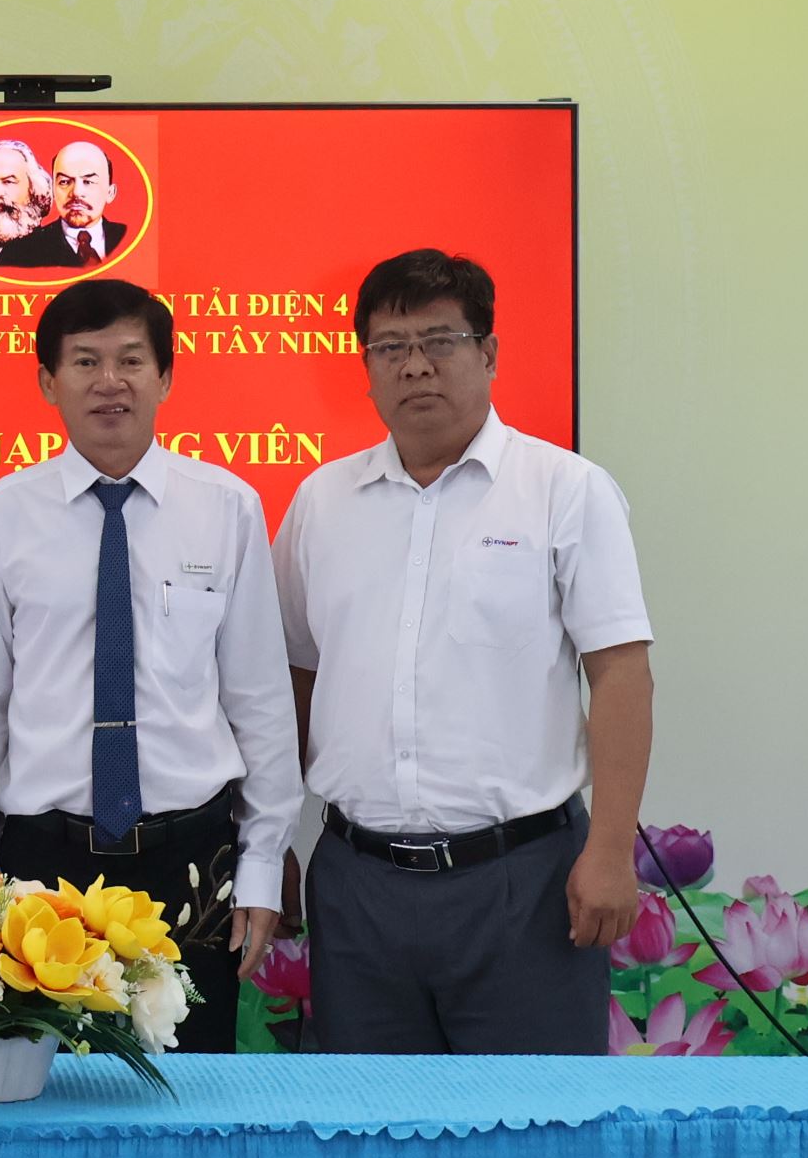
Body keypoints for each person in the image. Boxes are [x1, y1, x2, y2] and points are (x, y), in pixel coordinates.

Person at [274, 248, 653, 1055]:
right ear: (366, 367)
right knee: (371, 1121)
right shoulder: (320, 502)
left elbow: (621, 674)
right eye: (390, 347)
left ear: (489, 353)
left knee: (534, 1122)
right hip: (358, 884)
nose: (415, 366)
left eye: (439, 342)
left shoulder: (565, 490)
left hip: (522, 882)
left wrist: (612, 850)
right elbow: (295, 679)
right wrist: (268, 841)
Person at [0, 279, 303, 1051]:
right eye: (85, 361)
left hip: (191, 857)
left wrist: (260, 864)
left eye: (130, 360)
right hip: (41, 864)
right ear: (48, 382)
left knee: (185, 1092)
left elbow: (258, 700)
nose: (109, 381)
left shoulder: (227, 506)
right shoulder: (0, 515)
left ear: (166, 377)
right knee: (40, 1088)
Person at [0, 139, 130, 267]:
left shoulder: (128, 239)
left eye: (88, 182)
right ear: (53, 190)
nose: (76, 192)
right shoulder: (19, 253)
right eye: (64, 182)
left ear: (110, 193)